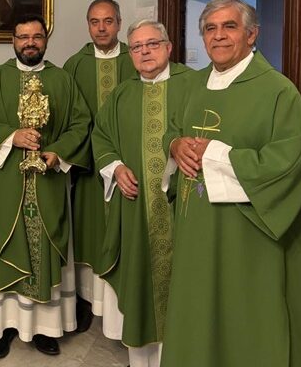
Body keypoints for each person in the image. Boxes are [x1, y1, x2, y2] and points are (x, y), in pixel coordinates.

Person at [161, 0, 301, 366]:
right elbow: (174, 132)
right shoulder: (191, 85)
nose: (219, 36)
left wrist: (215, 153)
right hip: (196, 228)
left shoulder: (278, 91)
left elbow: (289, 163)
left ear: (251, 34)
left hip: (248, 236)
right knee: (198, 310)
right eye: (210, 28)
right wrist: (176, 144)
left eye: (230, 26)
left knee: (243, 315)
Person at [0, 14, 91, 358]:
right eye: (23, 36)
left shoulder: (62, 80)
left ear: (46, 40)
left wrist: (59, 152)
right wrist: (12, 136)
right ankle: (0, 327)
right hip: (7, 179)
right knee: (3, 250)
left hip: (49, 183)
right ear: (13, 40)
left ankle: (45, 328)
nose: (30, 43)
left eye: (37, 36)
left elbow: (81, 123)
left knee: (47, 251)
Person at [91, 20, 192, 367]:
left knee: (186, 281)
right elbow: (100, 137)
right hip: (136, 209)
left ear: (168, 46)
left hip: (184, 209)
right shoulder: (123, 94)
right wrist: (116, 168)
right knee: (140, 280)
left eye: (152, 44)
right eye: (137, 47)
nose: (145, 52)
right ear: (130, 52)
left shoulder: (194, 86)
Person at [63, 0, 136, 332]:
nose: (102, 28)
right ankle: (86, 300)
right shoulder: (74, 65)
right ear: (88, 25)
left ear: (119, 23)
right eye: (95, 21)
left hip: (128, 164)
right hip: (88, 167)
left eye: (108, 21)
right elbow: (66, 118)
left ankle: (124, 304)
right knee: (87, 231)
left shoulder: (136, 58)